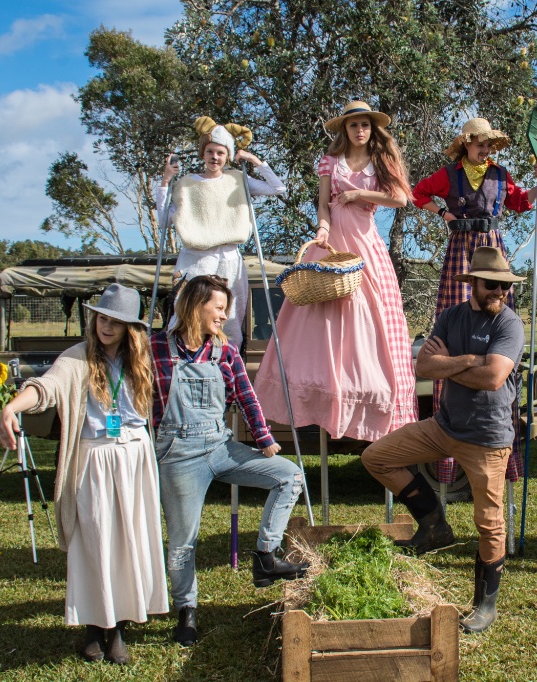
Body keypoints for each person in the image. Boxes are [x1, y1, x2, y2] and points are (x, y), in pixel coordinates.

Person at [0, 284, 166, 665]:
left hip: (135, 458)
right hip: (93, 459)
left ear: (130, 328)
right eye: (102, 317)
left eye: (116, 321)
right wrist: (12, 407)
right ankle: (95, 627)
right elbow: (47, 387)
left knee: (129, 542)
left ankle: (117, 627)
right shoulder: (76, 358)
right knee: (94, 541)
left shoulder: (142, 361)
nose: (106, 326)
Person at [361, 247, 525, 634]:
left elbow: (493, 378)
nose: (498, 291)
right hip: (444, 426)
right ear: (473, 284)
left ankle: (485, 604)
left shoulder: (510, 325)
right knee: (377, 457)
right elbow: (424, 366)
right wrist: (471, 359)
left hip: (486, 438)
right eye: (491, 285)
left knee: (489, 522)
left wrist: (452, 364)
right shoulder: (452, 316)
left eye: (504, 286)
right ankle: (434, 526)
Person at [150, 275, 307, 647]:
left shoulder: (225, 352)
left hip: (220, 447)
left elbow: (247, 398)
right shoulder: (155, 347)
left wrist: (264, 440)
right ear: (194, 305)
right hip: (177, 454)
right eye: (218, 308)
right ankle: (186, 611)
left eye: (225, 309)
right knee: (182, 543)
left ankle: (266, 555)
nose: (224, 316)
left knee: (290, 477)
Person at [255, 101, 417, 441]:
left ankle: (367, 388)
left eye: (365, 125)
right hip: (335, 239)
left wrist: (360, 193)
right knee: (321, 310)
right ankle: (324, 389)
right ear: (344, 129)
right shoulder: (329, 161)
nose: (360, 130)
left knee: (367, 311)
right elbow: (323, 205)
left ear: (373, 129)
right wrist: (322, 231)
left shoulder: (380, 160)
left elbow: (401, 198)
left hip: (365, 241)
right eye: (354, 124)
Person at [412, 116, 537, 487]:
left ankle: (500, 446)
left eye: (489, 144)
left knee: (497, 317)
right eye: (479, 143)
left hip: (492, 250)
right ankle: (448, 455)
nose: (484, 149)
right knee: (457, 323)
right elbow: (417, 193)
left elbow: (524, 204)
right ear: (466, 144)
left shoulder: (501, 175)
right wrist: (443, 213)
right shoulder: (449, 173)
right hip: (461, 250)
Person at [156, 116, 286, 349]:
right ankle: (183, 361)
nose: (214, 157)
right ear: (202, 154)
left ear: (227, 155)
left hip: (229, 257)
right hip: (195, 257)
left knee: (230, 315)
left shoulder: (237, 179)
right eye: (210, 152)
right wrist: (166, 180)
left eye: (220, 152)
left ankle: (228, 365)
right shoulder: (186, 183)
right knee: (187, 309)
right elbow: (165, 220)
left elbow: (277, 188)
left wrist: (252, 159)